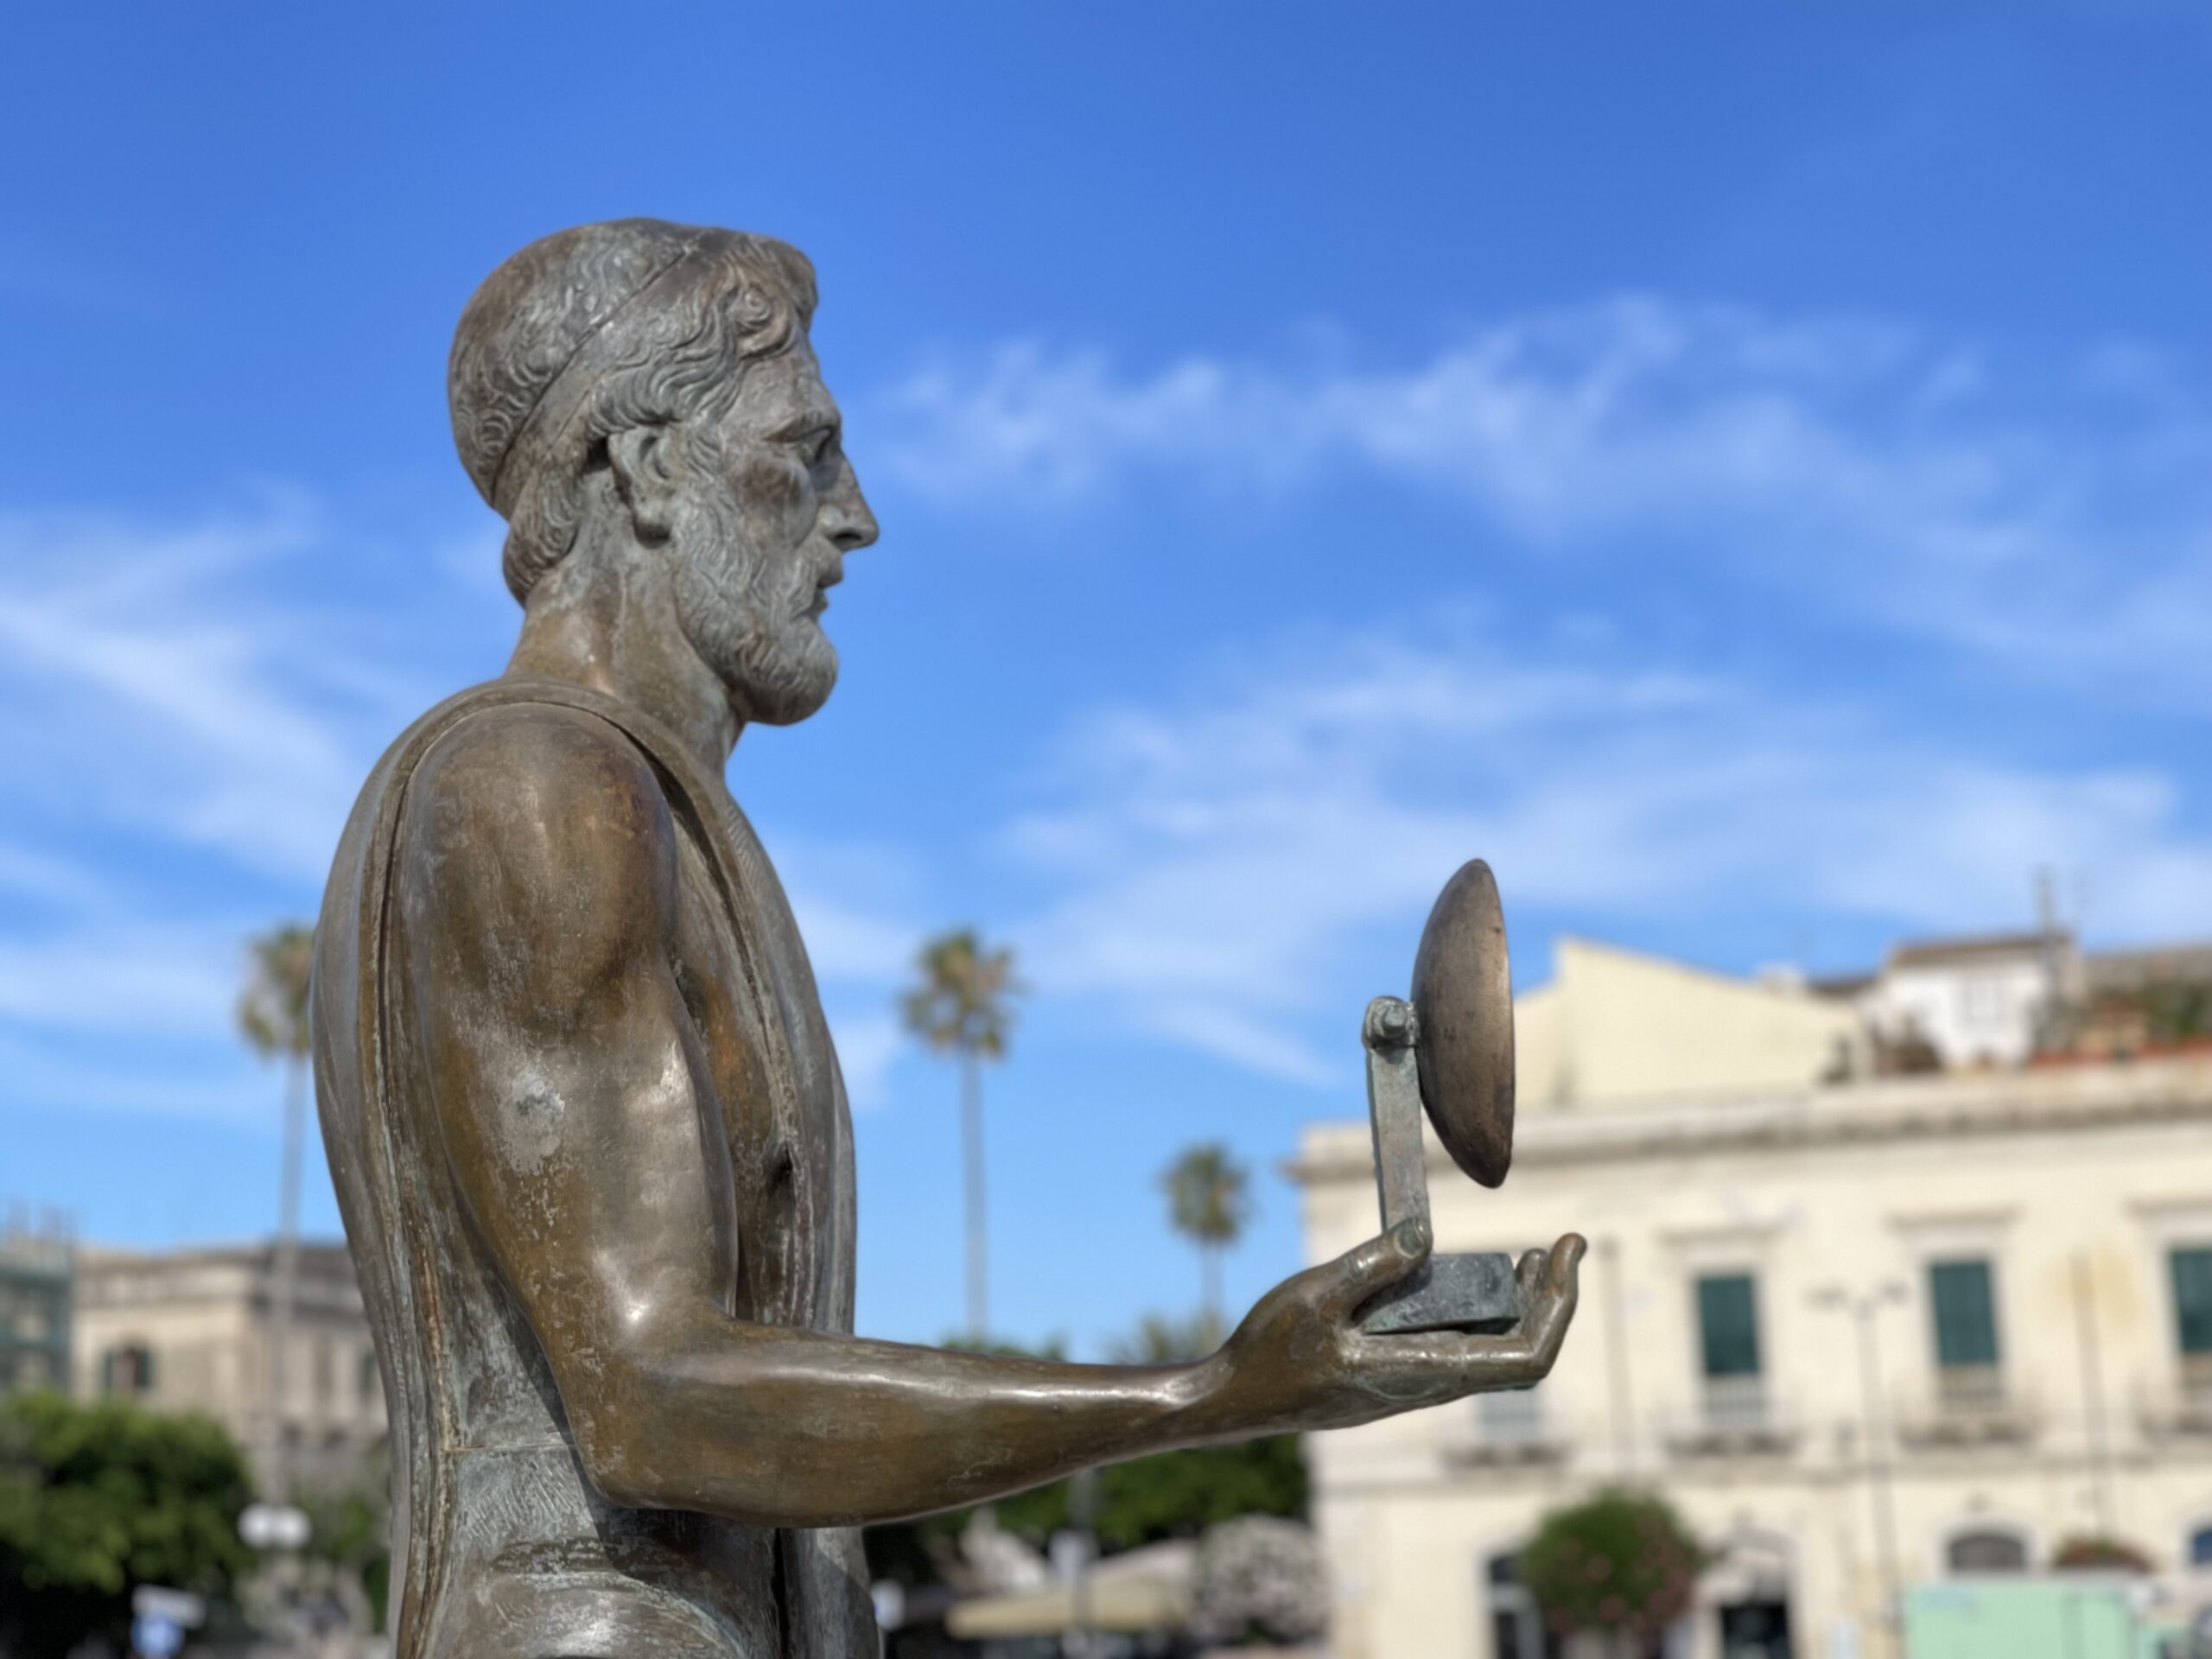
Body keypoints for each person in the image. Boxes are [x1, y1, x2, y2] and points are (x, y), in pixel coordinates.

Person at [313, 219, 1584, 1658]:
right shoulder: (539, 793)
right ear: (647, 470)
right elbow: (650, 1394)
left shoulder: (649, 811)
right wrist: (1214, 1395)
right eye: (804, 451)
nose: (854, 516)